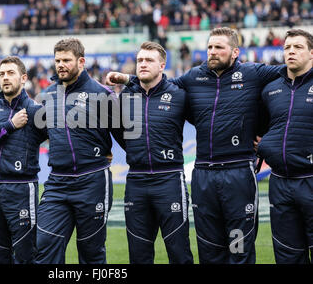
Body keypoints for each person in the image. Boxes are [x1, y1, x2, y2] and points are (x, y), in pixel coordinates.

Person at [107, 27, 285, 264]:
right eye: (210, 47)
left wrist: (267, 133)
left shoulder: (254, 73)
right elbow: (161, 85)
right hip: (203, 173)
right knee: (209, 249)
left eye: (219, 47)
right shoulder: (193, 77)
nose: (212, 52)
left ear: (235, 52)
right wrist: (130, 79)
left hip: (239, 171)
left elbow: (290, 84)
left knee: (239, 247)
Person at [35, 38, 122, 264]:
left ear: (81, 61)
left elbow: (125, 137)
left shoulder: (102, 94)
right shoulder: (48, 94)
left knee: (91, 252)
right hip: (57, 182)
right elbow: (40, 134)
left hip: (92, 180)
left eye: (66, 60)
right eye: (57, 60)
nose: (61, 65)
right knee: (43, 246)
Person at [118, 41, 193, 264]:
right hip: (136, 181)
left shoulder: (179, 95)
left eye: (149, 60)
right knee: (138, 256)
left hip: (169, 178)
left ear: (162, 65)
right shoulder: (126, 97)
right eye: (140, 60)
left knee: (179, 253)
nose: (142, 64)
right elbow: (116, 131)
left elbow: (207, 121)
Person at [0, 56, 47, 264]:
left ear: (23, 78)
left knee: (26, 255)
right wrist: (10, 125)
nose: (5, 78)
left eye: (11, 73)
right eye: (2, 74)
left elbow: (58, 137)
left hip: (22, 188)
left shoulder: (35, 111)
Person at [256, 29, 313, 264]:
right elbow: (261, 128)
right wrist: (265, 144)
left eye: (298, 47)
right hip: (280, 183)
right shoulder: (270, 90)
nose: (291, 51)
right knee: (288, 255)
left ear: (311, 53)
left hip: (310, 179)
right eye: (287, 47)